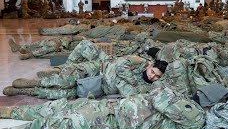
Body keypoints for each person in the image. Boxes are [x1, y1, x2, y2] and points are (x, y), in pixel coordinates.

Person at [0, 87, 205, 129]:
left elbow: (159, 97)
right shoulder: (175, 99)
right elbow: (158, 95)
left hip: (109, 121)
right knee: (53, 107)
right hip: (105, 107)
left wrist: (174, 96)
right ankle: (9, 111)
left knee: (56, 124)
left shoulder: (194, 118)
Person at [3, 40, 168, 99]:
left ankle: (29, 91)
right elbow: (120, 66)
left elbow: (128, 94)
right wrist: (127, 81)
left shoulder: (148, 87)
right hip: (100, 68)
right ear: (149, 65)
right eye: (153, 72)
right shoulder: (140, 62)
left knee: (62, 94)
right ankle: (38, 81)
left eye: (156, 77)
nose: (152, 77)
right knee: (65, 81)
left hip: (97, 87)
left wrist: (123, 82)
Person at [8, 37, 82, 60]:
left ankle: (23, 50)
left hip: (62, 51)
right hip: (60, 42)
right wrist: (63, 45)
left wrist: (63, 50)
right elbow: (71, 38)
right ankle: (23, 49)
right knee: (50, 44)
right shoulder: (86, 41)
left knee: (51, 52)